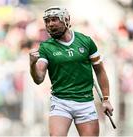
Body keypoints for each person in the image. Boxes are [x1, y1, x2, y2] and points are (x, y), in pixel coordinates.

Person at [29, 6, 114, 136]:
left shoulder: (86, 41)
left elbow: (100, 71)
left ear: (66, 20)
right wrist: (32, 64)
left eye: (54, 20)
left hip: (85, 102)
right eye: (47, 21)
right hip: (60, 102)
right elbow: (39, 78)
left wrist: (106, 99)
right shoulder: (45, 47)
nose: (50, 24)